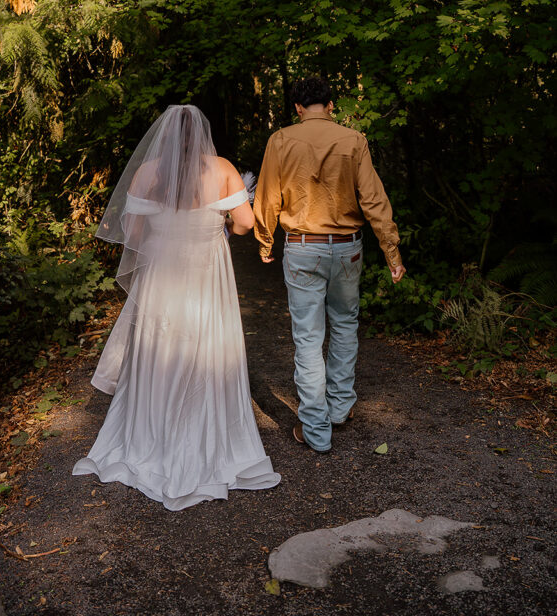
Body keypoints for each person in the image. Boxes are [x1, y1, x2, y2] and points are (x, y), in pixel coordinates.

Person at [73, 104, 280, 510]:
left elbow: (132, 232)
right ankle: (207, 437)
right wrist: (214, 223)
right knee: (207, 346)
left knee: (160, 351)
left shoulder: (148, 172)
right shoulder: (221, 168)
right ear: (202, 133)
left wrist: (165, 228)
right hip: (207, 271)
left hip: (162, 273)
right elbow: (244, 223)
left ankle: (154, 435)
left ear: (164, 135)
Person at [253, 76, 405, 454]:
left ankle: (317, 431)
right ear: (331, 105)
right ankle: (339, 409)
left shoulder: (281, 140)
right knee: (345, 326)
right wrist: (392, 252)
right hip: (348, 249)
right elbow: (374, 200)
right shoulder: (354, 140)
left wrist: (264, 239)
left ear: (298, 109)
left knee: (307, 338)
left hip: (303, 247)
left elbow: (268, 196)